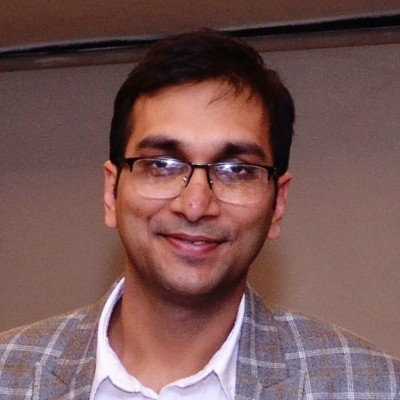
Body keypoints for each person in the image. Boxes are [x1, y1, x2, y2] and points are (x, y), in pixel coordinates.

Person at [0, 29, 399, 400]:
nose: (195, 205)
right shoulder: (9, 374)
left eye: (236, 170)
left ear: (277, 203)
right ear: (111, 192)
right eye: (162, 165)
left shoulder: (373, 386)